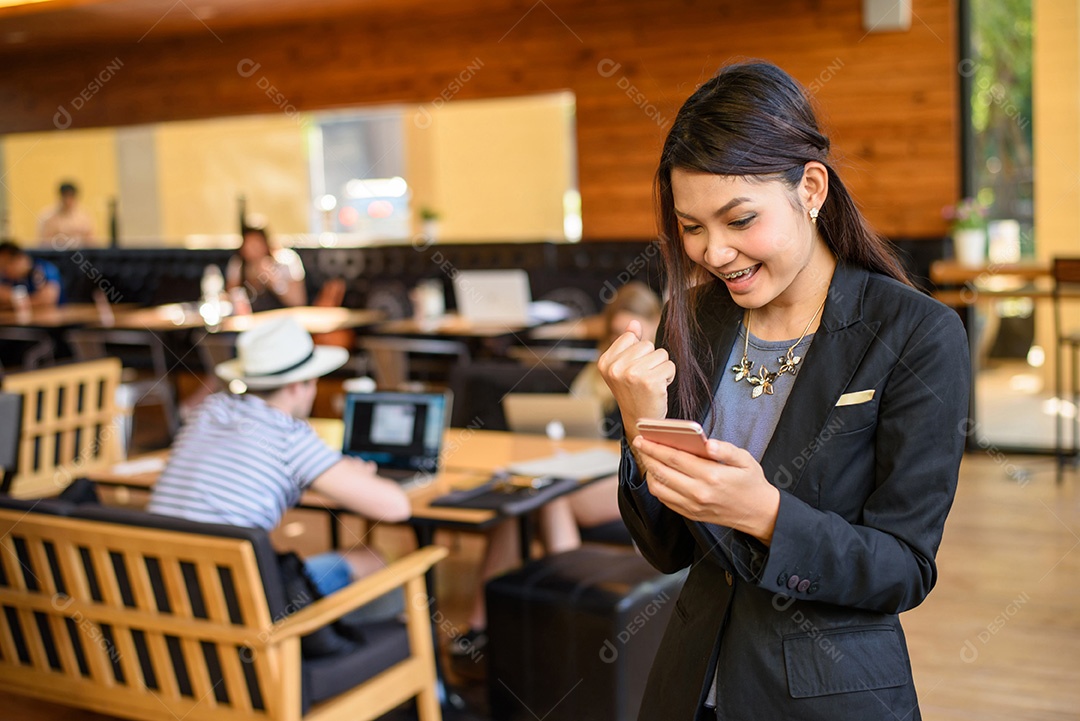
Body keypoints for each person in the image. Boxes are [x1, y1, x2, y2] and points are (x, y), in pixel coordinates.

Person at [597, 62, 968, 720]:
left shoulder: (917, 333)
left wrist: (766, 513)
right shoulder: (696, 316)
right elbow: (668, 550)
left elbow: (904, 566)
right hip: (689, 685)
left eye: (739, 219)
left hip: (829, 694)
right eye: (691, 226)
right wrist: (640, 428)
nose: (713, 251)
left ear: (811, 187)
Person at [451, 282, 662, 660]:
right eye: (616, 332)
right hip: (591, 469)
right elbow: (576, 421)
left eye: (634, 331)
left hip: (638, 476)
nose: (624, 340)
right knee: (518, 503)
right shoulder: (596, 372)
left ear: (655, 325)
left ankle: (574, 617)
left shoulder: (661, 372)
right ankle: (478, 627)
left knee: (550, 498)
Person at [149, 317, 411, 618]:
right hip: (237, 606)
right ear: (300, 384)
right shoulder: (288, 437)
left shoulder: (210, 410)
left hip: (163, 592)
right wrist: (348, 475)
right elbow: (396, 507)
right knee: (374, 563)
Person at [226, 226, 307, 311]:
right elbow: (231, 296)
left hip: (283, 318)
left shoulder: (287, 260)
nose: (253, 250)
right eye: (249, 245)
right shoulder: (238, 264)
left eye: (256, 244)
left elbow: (298, 302)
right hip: (252, 321)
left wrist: (274, 282)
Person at [0, 240, 65, 307]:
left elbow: (47, 300)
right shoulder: (9, 278)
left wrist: (15, 301)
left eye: (6, 264)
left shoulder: (45, 268)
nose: (5, 271)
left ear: (20, 258)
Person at [38, 181, 94, 247]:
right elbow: (45, 242)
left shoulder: (84, 217)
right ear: (60, 196)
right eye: (65, 196)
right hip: (57, 254)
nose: (68, 200)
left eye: (71, 196)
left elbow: (91, 241)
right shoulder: (48, 217)